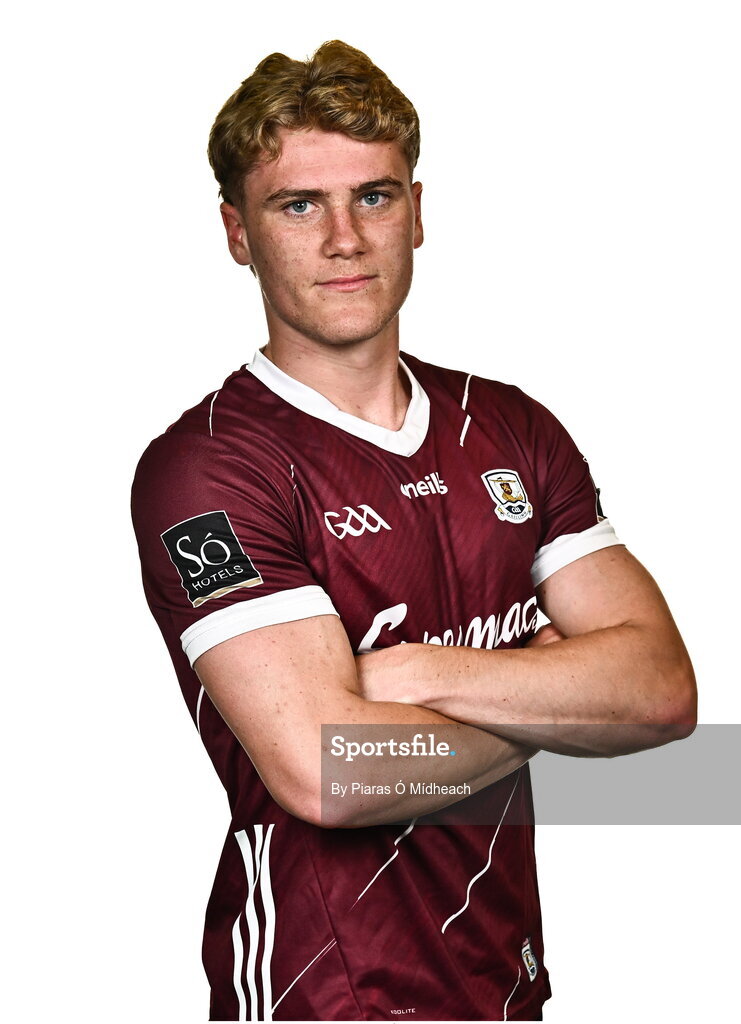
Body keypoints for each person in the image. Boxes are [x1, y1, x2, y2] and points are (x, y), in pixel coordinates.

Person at [131, 39, 696, 1022]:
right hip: (326, 991)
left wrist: (417, 674)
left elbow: (660, 694)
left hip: (506, 979)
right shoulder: (211, 467)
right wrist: (557, 701)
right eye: (298, 204)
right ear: (236, 232)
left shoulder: (511, 426)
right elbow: (330, 772)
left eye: (375, 196)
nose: (345, 238)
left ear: (419, 212)